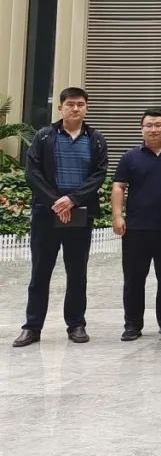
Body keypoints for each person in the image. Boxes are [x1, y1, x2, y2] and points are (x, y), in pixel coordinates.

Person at [14, 87, 108, 348]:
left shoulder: (96, 139)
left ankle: (76, 324)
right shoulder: (45, 136)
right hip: (46, 214)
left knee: (77, 272)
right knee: (40, 272)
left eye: (80, 104)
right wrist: (56, 201)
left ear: (86, 108)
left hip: (80, 213)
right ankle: (32, 327)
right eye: (70, 104)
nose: (75, 108)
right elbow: (32, 172)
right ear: (60, 108)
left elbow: (99, 174)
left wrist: (72, 199)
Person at [112, 108, 161, 342]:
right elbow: (119, 186)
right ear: (141, 128)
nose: (153, 129)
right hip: (136, 228)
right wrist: (117, 216)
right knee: (134, 279)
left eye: (158, 125)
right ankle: (132, 324)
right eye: (148, 125)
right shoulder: (130, 156)